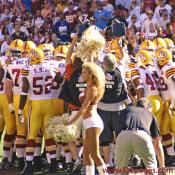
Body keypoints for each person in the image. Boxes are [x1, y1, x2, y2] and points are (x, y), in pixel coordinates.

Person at [67, 62, 108, 175]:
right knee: (86, 156)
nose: (82, 74)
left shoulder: (92, 88)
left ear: (91, 74)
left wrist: (71, 122)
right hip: (89, 122)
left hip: (92, 122)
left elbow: (84, 108)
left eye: (84, 72)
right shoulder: (89, 86)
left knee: (95, 155)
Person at [114, 99, 165, 175]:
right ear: (149, 108)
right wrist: (162, 166)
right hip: (142, 135)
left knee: (120, 170)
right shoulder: (150, 114)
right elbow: (157, 143)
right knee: (151, 169)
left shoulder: (125, 110)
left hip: (123, 134)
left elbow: (117, 134)